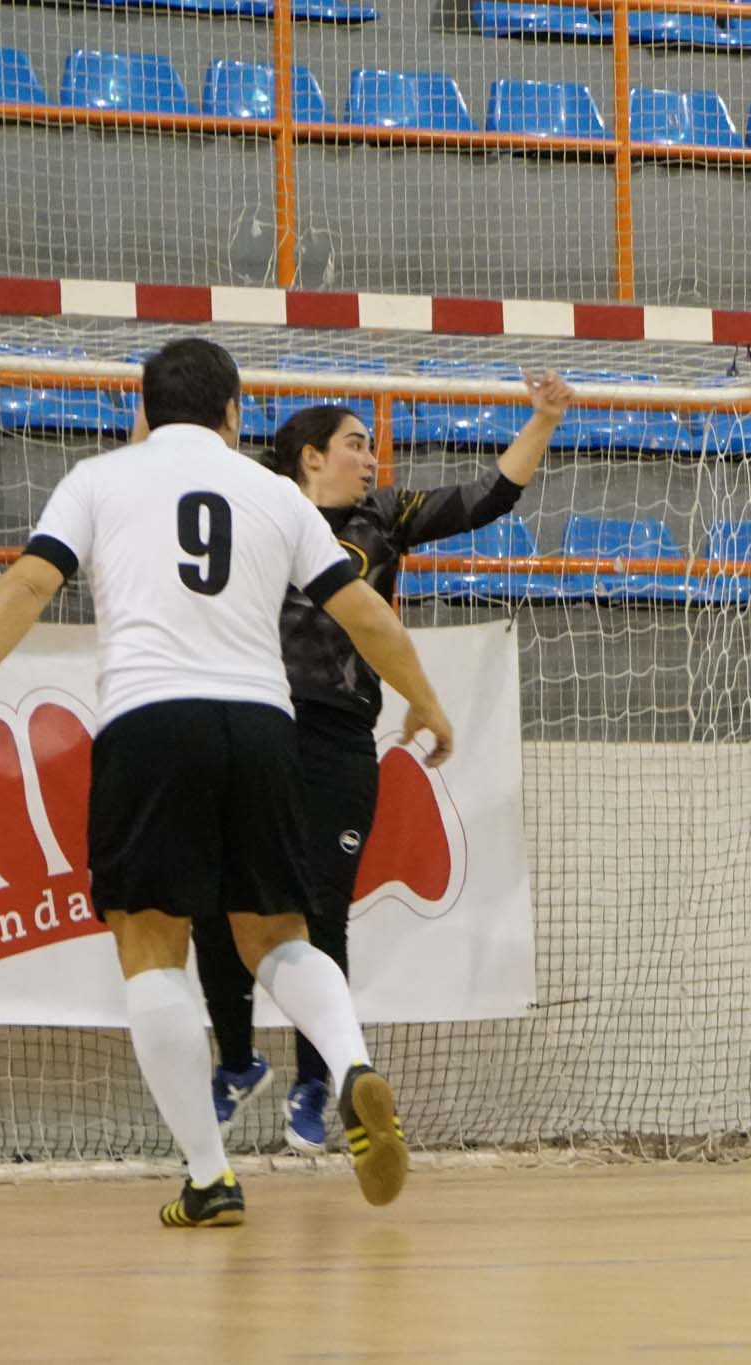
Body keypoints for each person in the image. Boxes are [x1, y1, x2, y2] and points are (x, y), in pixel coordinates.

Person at [0, 338, 452, 1228]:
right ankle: (349, 1061)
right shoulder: (277, 491)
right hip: (265, 728)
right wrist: (426, 702)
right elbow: (363, 610)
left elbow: (28, 582)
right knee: (278, 935)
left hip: (150, 722)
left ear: (142, 412)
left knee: (152, 948)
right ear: (236, 414)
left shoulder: (98, 478)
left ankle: (210, 1178)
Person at [195, 371, 576, 1153]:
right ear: (309, 456)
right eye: (356, 444)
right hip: (255, 721)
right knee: (217, 897)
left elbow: (488, 497)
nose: (371, 459)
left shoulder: (384, 516)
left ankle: (315, 1080)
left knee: (320, 910)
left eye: (372, 446)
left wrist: (541, 421)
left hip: (337, 736)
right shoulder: (255, 501)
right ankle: (235, 1060)